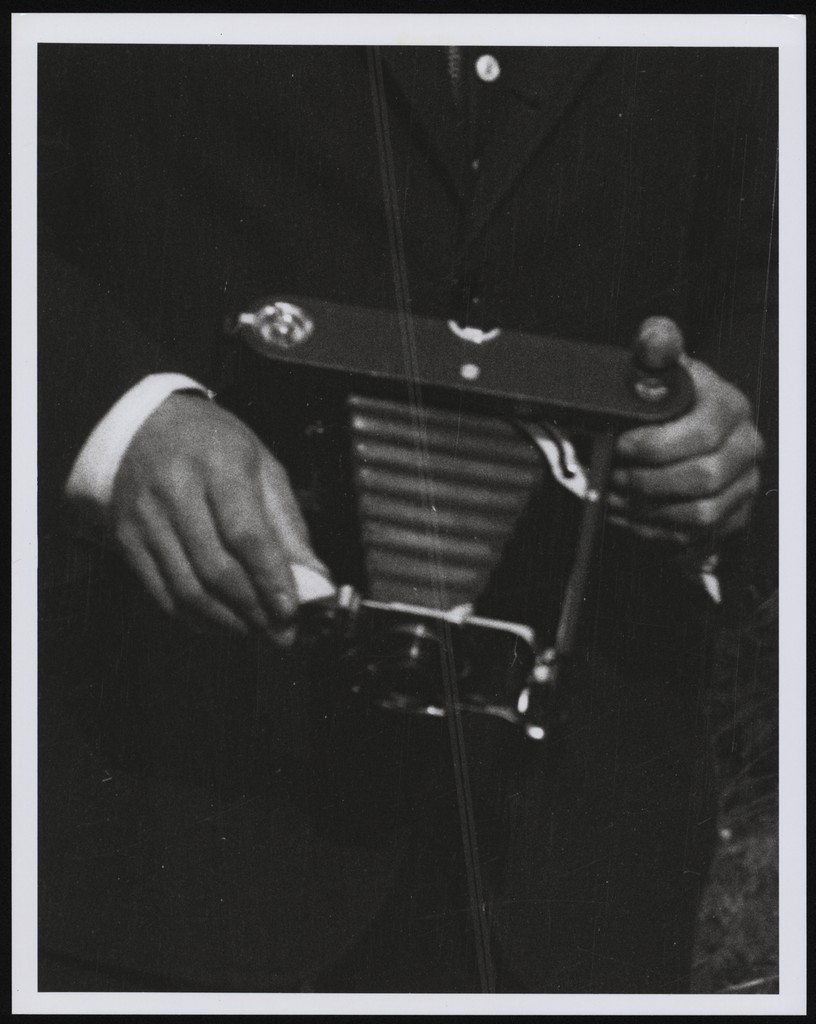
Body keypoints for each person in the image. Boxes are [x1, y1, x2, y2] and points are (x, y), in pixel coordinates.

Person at [38, 44, 777, 993]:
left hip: (576, 847)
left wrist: (744, 427)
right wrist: (116, 419)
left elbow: (773, 258)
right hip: (169, 790)